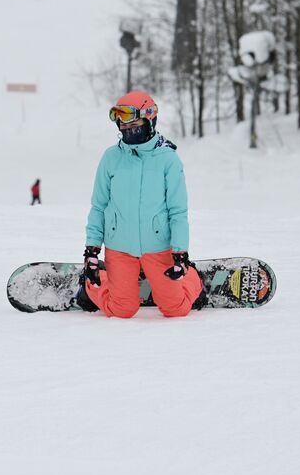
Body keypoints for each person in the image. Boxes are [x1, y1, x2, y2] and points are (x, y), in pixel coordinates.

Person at [76, 91, 205, 318]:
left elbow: (178, 211)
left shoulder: (168, 159)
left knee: (176, 309)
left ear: (149, 119)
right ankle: (92, 285)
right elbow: (98, 206)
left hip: (158, 246)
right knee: (122, 310)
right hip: (120, 246)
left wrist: (180, 253)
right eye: (121, 123)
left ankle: (193, 278)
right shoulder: (111, 158)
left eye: (133, 122)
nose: (126, 128)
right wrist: (92, 250)